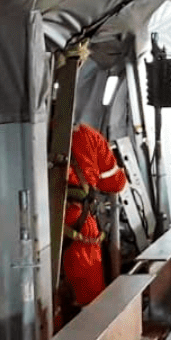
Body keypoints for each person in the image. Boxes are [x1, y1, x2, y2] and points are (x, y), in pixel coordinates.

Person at [62, 122, 128, 307]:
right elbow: (115, 184)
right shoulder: (87, 135)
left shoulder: (20, 134)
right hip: (77, 225)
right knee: (89, 302)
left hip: (34, 222)